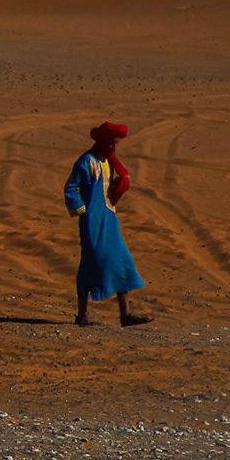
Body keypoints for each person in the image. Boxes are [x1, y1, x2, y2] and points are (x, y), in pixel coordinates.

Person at [63, 122, 152, 327]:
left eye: (116, 143)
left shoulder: (108, 161)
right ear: (103, 141)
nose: (114, 147)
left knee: (121, 260)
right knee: (90, 264)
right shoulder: (87, 161)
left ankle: (125, 315)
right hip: (92, 221)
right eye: (112, 143)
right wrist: (82, 210)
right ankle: (82, 315)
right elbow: (71, 188)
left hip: (109, 219)